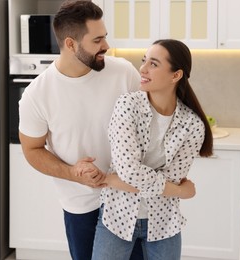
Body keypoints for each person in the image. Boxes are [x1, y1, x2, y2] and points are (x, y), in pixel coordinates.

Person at [18, 1, 144, 259]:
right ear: (71, 44)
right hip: (82, 207)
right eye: (97, 40)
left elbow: (148, 127)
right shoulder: (37, 94)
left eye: (105, 37)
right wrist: (73, 173)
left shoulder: (123, 73)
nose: (106, 46)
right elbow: (31, 149)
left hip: (132, 200)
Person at [91, 39, 213, 260]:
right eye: (144, 60)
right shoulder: (127, 105)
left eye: (153, 64)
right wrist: (180, 191)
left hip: (164, 223)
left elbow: (171, 178)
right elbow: (129, 169)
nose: (143, 69)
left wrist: (111, 180)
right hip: (117, 216)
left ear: (176, 75)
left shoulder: (193, 125)